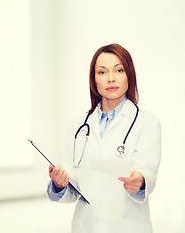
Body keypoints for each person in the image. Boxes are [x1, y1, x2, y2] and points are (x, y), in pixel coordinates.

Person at [47, 43, 161, 233]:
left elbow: (147, 172)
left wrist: (139, 182)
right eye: (102, 72)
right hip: (86, 226)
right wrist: (59, 184)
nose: (110, 78)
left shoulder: (147, 122)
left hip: (127, 225)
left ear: (129, 76)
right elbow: (73, 187)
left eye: (118, 70)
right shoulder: (78, 127)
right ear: (94, 80)